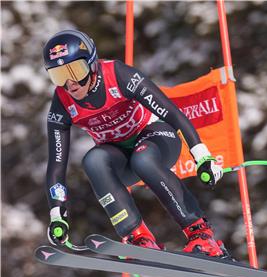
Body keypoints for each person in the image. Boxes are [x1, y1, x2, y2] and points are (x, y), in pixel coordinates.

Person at [43, 29, 230, 258]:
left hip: (156, 139)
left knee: (144, 158)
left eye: (75, 70)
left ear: (92, 64)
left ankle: (200, 232)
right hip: (120, 157)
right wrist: (56, 214)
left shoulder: (118, 75)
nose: (70, 83)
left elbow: (173, 114)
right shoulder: (62, 101)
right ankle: (138, 237)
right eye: (59, 75)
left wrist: (202, 156)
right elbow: (56, 164)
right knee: (93, 161)